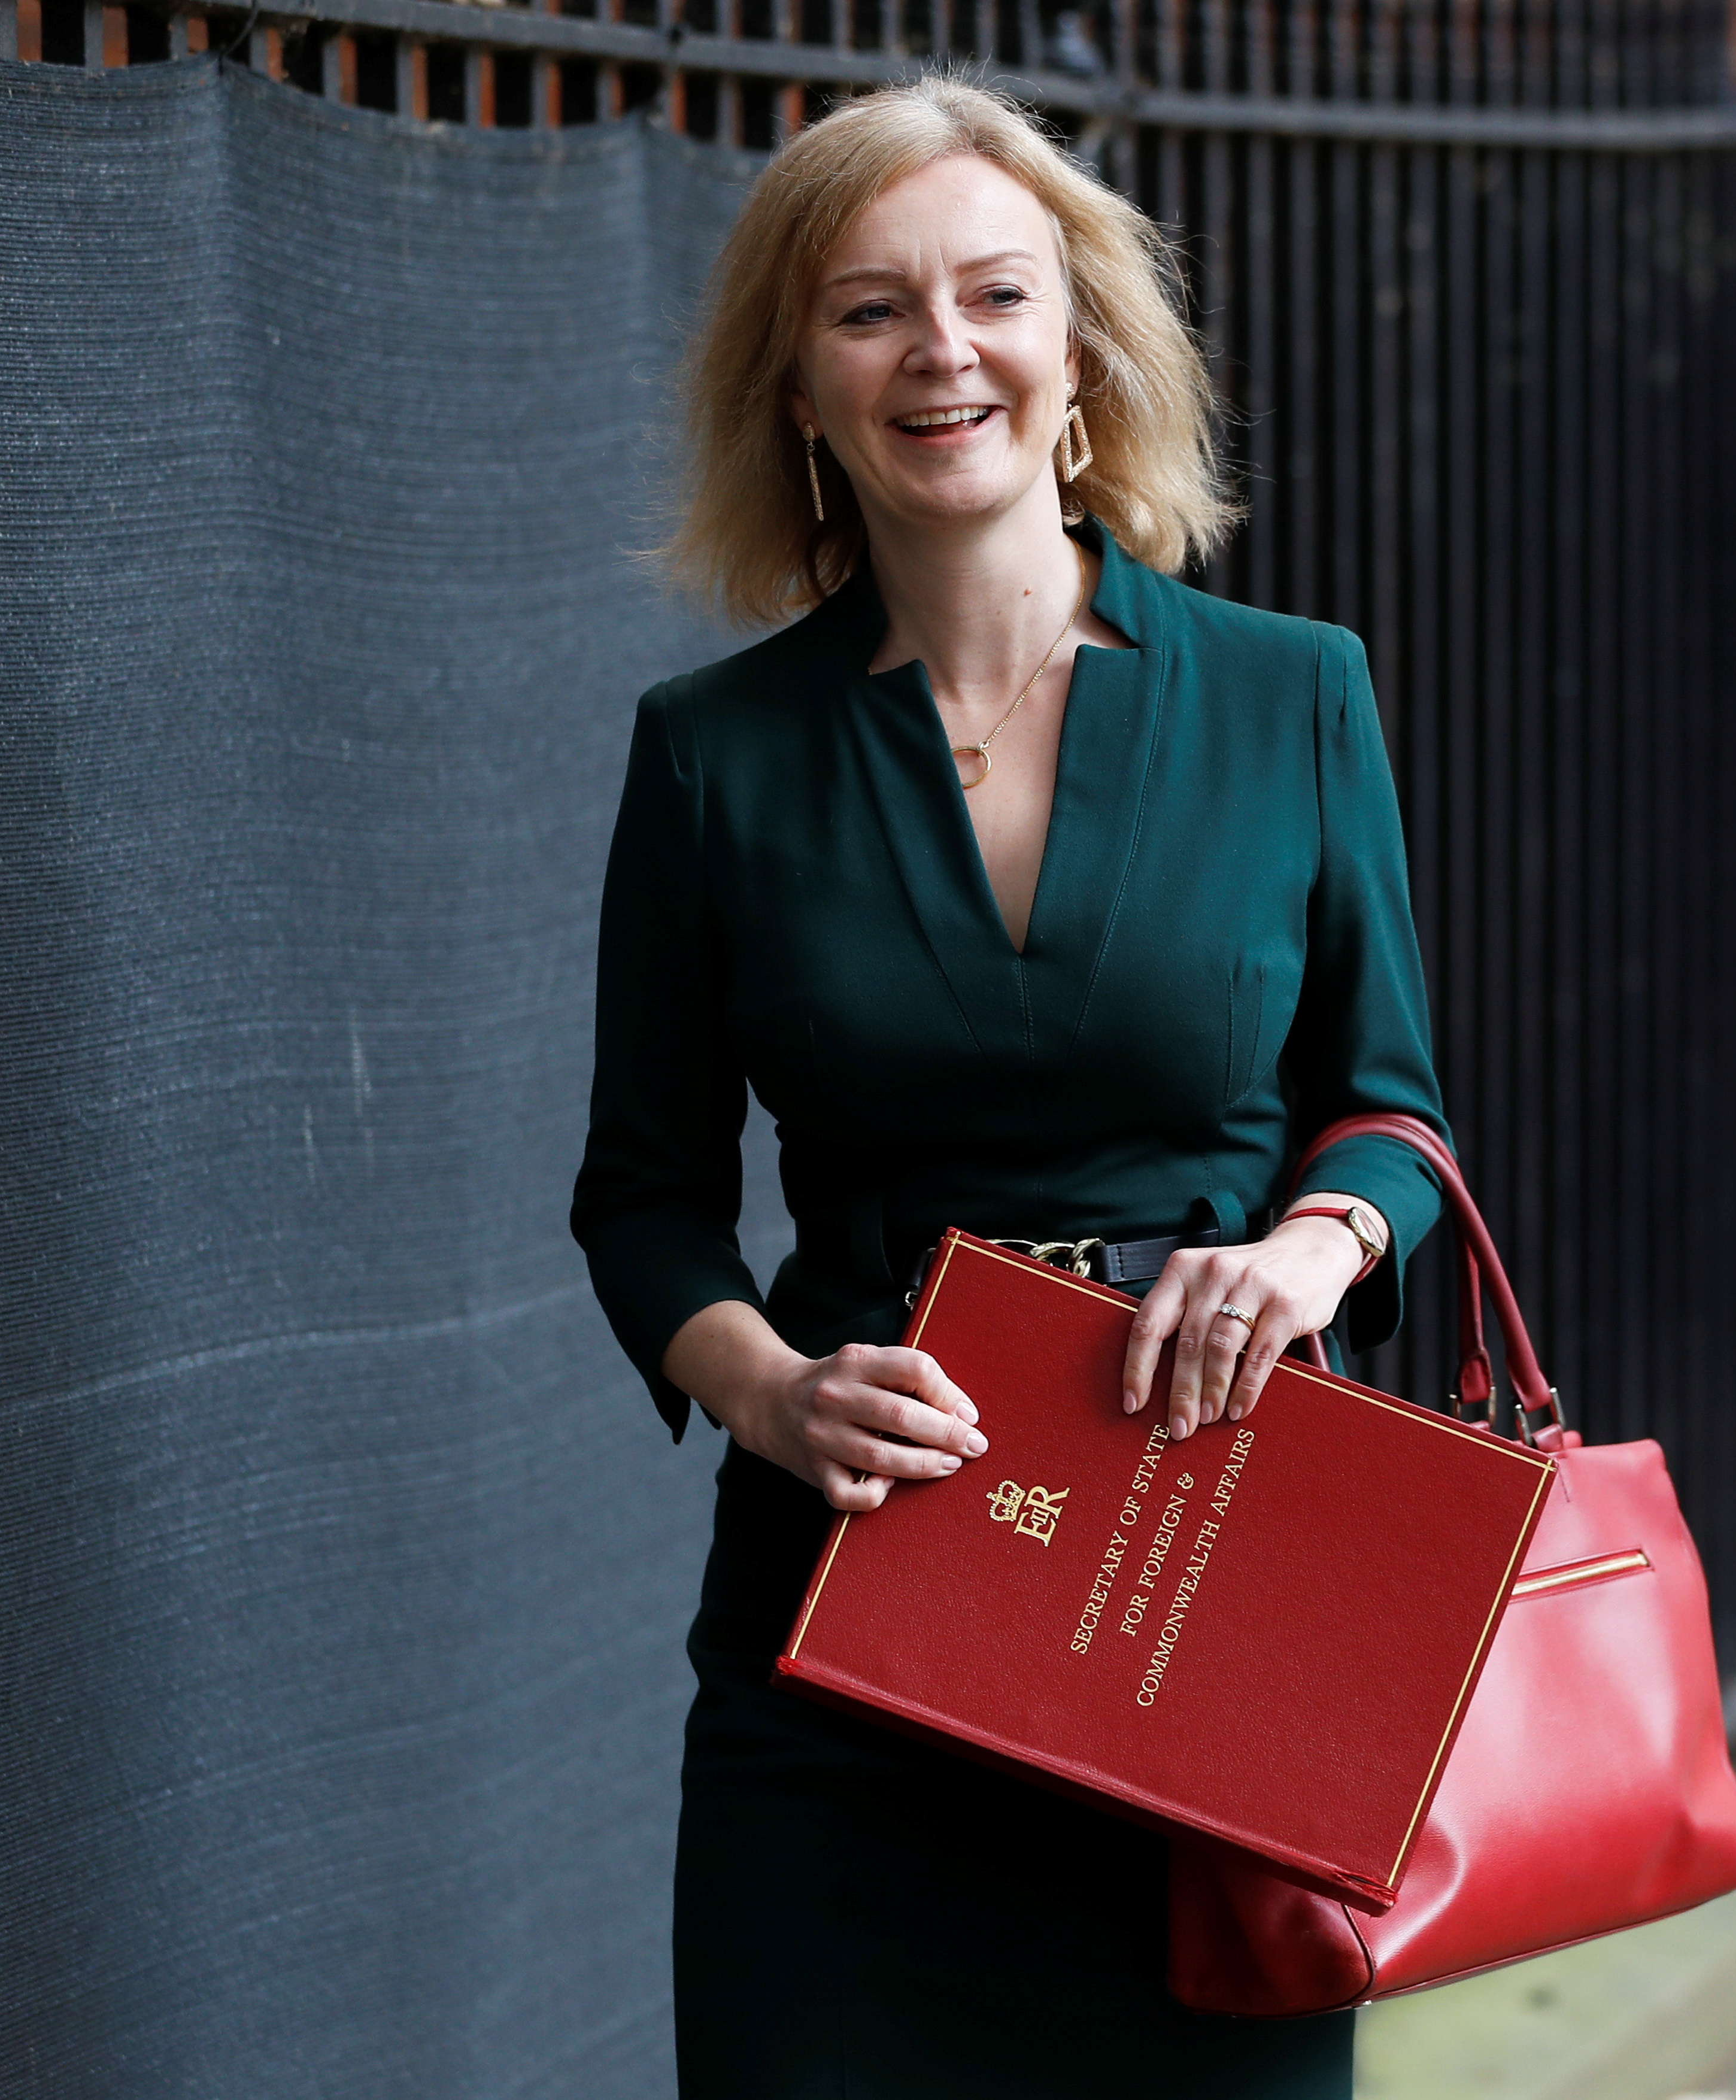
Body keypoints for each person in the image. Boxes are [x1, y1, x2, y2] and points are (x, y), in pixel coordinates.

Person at [570, 74, 1451, 2098]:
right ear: (798, 382)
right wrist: (766, 1390)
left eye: (993, 293)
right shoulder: (715, 752)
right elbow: (641, 1196)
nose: (938, 349)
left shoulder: (1289, 688)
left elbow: (1392, 1108)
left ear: (1077, 354)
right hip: (849, 1609)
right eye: (869, 308)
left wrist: (1311, 1252)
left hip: (1211, 1591)